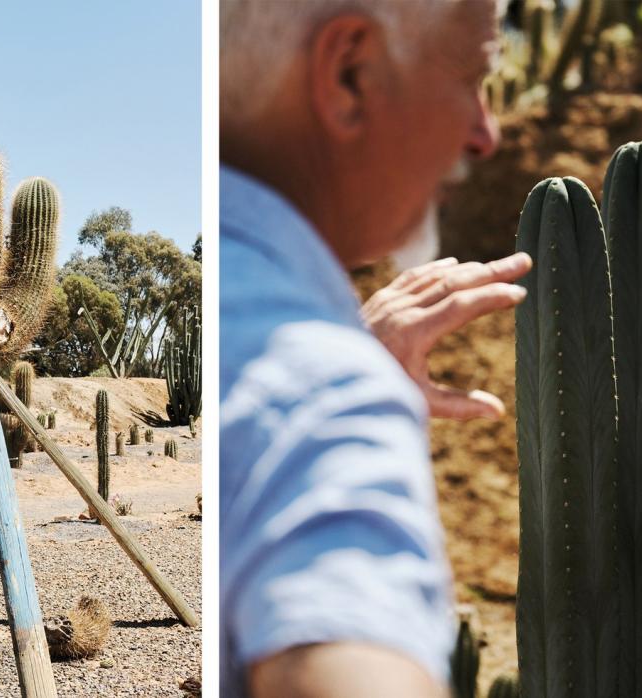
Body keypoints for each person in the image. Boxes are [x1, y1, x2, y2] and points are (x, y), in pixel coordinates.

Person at [220, 1, 531, 695]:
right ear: (350, 75)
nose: (487, 133)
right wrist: (335, 381)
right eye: (473, 75)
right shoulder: (328, 395)